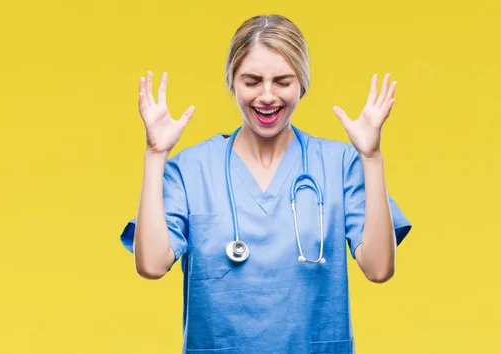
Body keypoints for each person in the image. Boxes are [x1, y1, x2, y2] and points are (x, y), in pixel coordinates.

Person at [120, 14, 412, 354]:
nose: (267, 96)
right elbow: (152, 265)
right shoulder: (191, 169)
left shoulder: (341, 164)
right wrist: (156, 155)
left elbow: (378, 269)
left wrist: (372, 159)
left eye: (283, 82)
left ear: (302, 83)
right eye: (252, 81)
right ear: (231, 82)